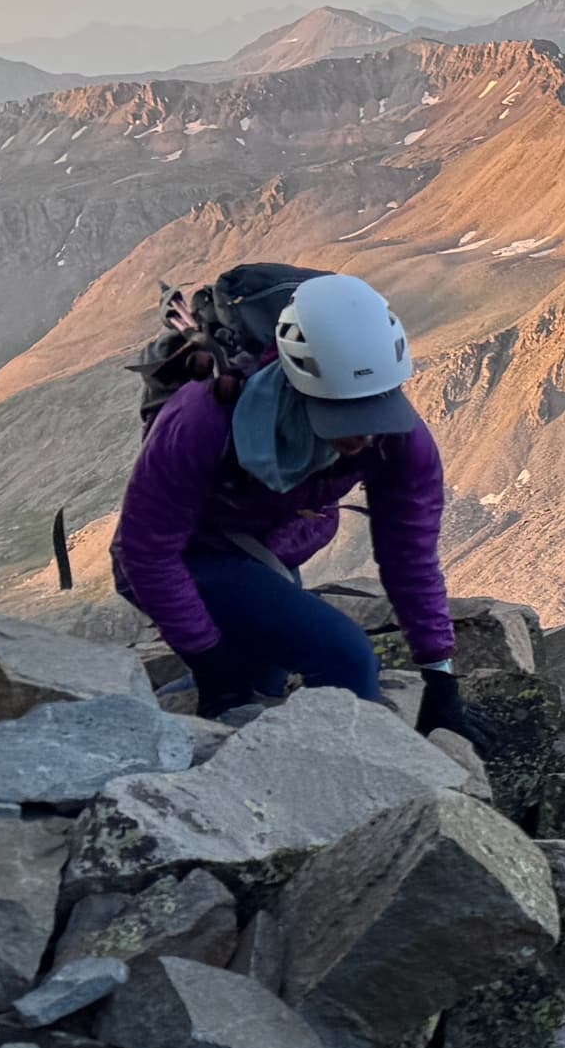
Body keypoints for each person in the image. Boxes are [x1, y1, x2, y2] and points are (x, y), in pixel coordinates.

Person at [113, 271, 488, 744]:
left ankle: (171, 708)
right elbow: (145, 553)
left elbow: (409, 557)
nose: (362, 436)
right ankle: (352, 787)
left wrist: (439, 676)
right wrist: (207, 660)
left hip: (268, 554)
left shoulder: (400, 440)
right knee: (343, 655)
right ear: (297, 387)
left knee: (262, 678)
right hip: (181, 557)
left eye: (374, 413)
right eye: (340, 417)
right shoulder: (203, 417)